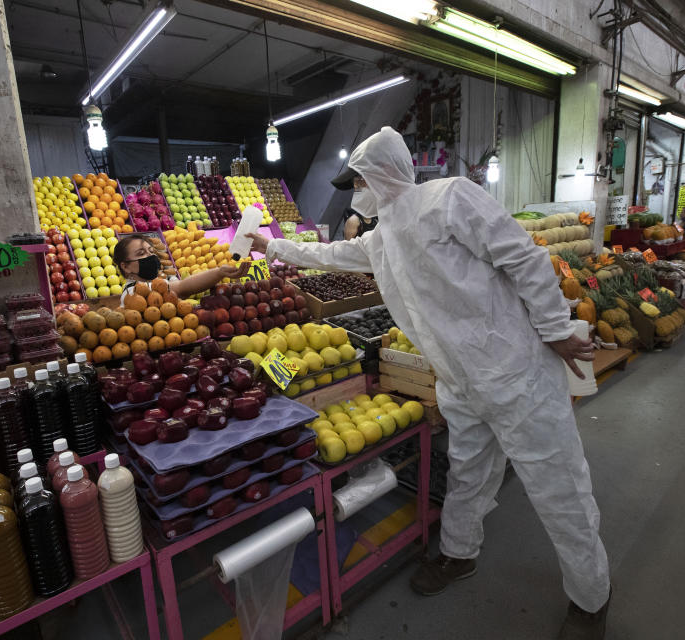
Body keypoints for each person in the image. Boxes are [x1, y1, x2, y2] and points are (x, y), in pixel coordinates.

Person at [247, 127, 611, 639]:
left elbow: (522, 256)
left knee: (559, 488)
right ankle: (459, 555)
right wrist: (273, 245)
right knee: (467, 474)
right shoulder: (383, 239)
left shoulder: (449, 198)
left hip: (516, 375)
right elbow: (329, 256)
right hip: (460, 383)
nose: (355, 192)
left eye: (358, 181)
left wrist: (554, 328)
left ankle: (591, 599)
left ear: (382, 174)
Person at [113, 234, 249, 305]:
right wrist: (219, 272)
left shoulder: (155, 282)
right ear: (125, 266)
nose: (150, 256)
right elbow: (182, 288)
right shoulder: (133, 292)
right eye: (141, 253)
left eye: (151, 251)